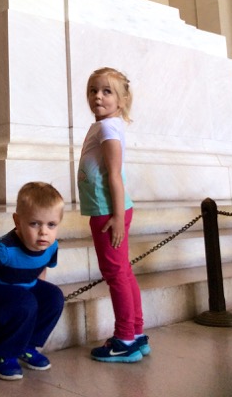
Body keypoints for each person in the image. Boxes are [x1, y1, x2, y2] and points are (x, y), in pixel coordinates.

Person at [0, 181, 65, 381]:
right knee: (25, 303)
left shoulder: (51, 246)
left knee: (54, 297)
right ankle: (2, 355)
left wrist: (39, 292)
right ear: (18, 221)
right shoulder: (4, 250)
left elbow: (39, 269)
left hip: (20, 288)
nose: (44, 232)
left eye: (51, 225)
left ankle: (27, 346)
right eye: (35, 223)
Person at [77, 67, 150, 363]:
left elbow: (114, 176)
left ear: (121, 100)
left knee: (116, 274)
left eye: (107, 91)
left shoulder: (108, 128)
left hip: (108, 212)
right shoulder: (108, 124)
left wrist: (117, 217)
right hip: (109, 209)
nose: (98, 96)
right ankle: (136, 331)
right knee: (123, 272)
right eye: (93, 90)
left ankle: (124, 339)